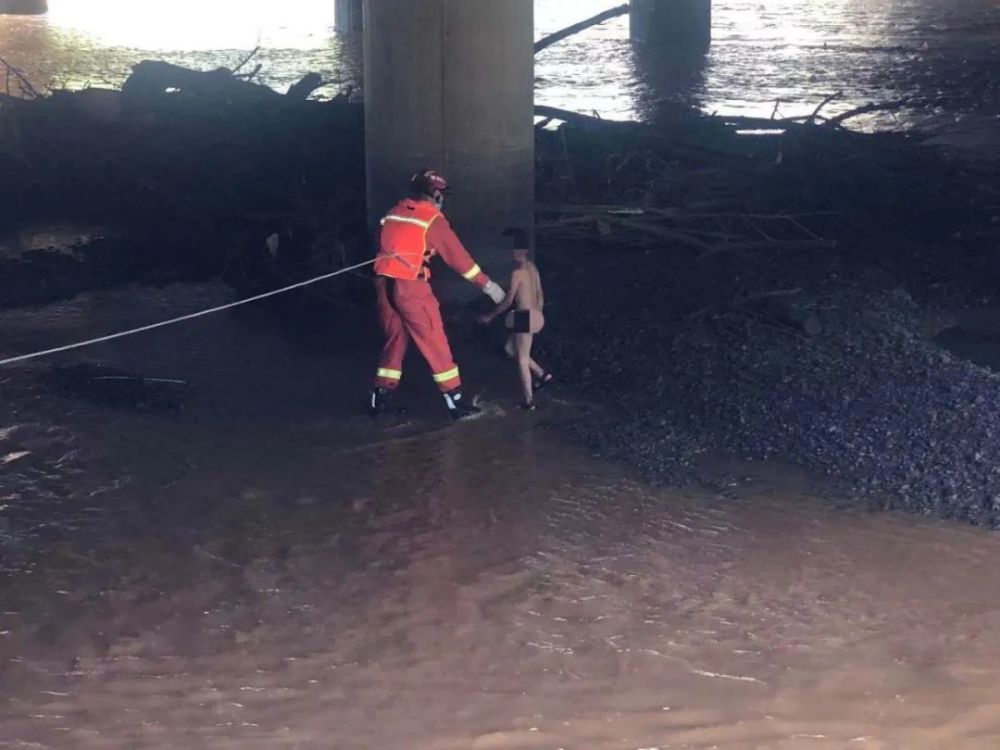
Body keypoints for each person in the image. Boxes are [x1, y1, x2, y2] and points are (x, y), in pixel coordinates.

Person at [370, 169, 506, 420]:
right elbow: (460, 261)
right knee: (435, 341)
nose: (443, 199)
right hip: (410, 288)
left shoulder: (393, 212)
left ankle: (380, 399)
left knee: (395, 341)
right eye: (442, 194)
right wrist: (490, 287)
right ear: (435, 193)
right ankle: (455, 402)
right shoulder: (432, 220)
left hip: (383, 285)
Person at [479, 228, 552, 410]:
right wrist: (537, 315)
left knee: (521, 358)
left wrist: (490, 316)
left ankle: (529, 402)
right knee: (510, 349)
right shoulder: (533, 268)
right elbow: (540, 295)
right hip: (536, 315)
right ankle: (542, 375)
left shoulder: (517, 273)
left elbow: (508, 302)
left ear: (516, 252)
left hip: (523, 316)